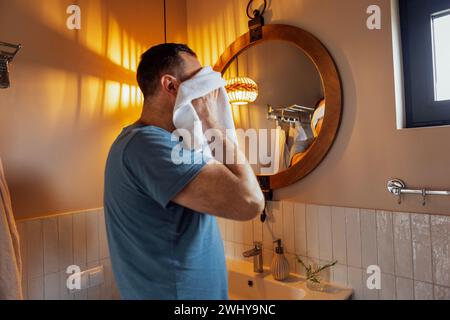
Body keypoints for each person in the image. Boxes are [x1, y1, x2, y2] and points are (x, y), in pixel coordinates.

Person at [104, 43, 265, 300]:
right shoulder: (148, 146)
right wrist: (210, 119)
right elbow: (250, 202)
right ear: (171, 86)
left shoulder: (170, 144)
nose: (211, 91)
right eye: (200, 80)